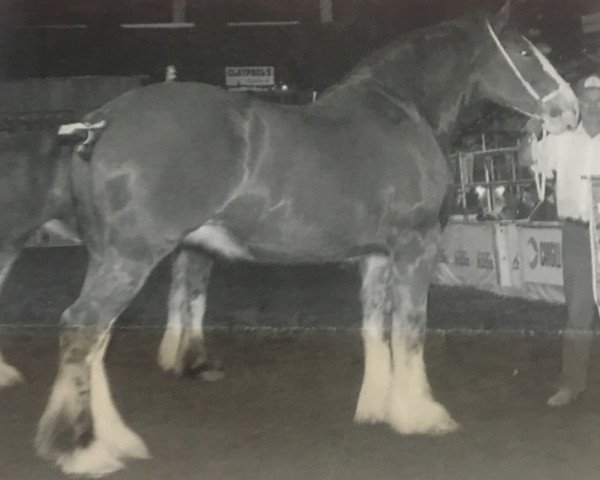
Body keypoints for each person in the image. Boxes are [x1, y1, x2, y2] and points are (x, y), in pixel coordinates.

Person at [519, 73, 600, 406]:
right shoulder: (561, 141)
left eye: (599, 99)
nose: (594, 105)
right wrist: (527, 132)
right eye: (588, 99)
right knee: (579, 312)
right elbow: (527, 160)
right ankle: (572, 384)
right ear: (577, 103)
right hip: (577, 233)